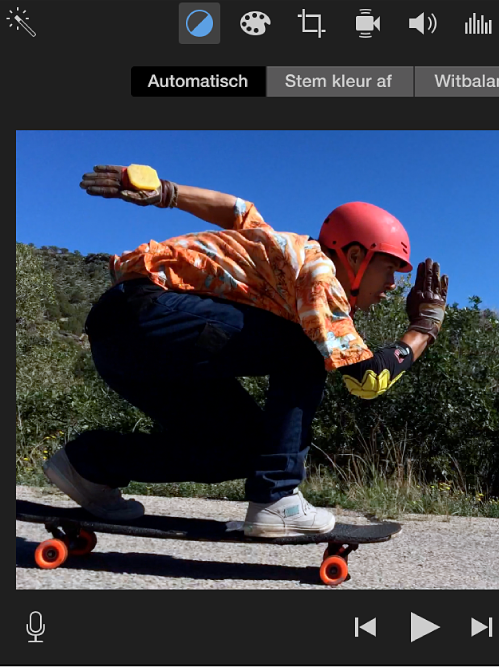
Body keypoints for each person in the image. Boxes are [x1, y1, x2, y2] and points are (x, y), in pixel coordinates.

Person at [42, 164, 449, 537]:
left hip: (129, 344)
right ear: (356, 255)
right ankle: (276, 498)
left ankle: (89, 465)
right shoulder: (319, 273)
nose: (393, 285)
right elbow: (366, 380)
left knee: (241, 449)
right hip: (145, 316)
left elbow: (237, 210)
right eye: (390, 267)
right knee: (306, 346)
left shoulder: (274, 250)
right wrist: (424, 327)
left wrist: (167, 191)